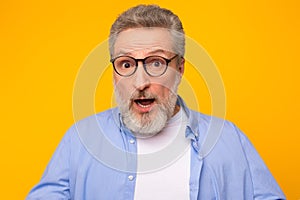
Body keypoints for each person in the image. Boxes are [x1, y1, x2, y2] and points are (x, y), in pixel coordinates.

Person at [27, 4, 286, 200]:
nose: (140, 82)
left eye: (156, 63)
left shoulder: (229, 139)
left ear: (180, 69)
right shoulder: (81, 139)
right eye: (126, 64)